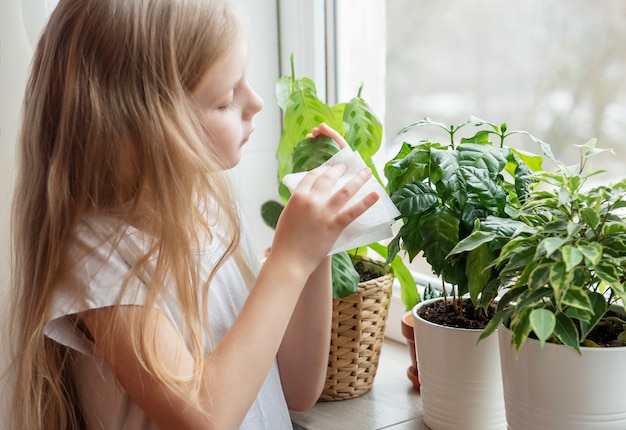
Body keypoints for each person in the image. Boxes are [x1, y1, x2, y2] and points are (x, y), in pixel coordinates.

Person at [9, 0, 379, 429]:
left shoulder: (211, 208)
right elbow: (206, 418)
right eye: (225, 99)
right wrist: (291, 258)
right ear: (140, 129)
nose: (257, 102)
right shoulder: (96, 257)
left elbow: (298, 388)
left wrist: (317, 250)